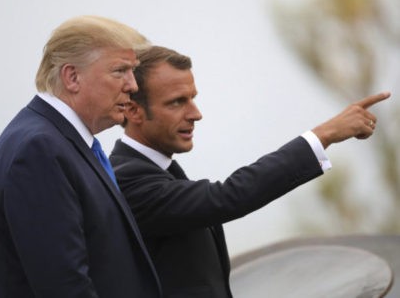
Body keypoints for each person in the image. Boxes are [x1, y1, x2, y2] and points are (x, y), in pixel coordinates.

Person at [109, 45, 390, 298]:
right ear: (133, 111)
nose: (196, 113)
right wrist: (323, 135)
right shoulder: (128, 178)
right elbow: (227, 197)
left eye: (192, 98)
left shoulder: (157, 169)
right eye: (177, 102)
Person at [0, 16, 162, 298]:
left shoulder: (60, 141)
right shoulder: (39, 150)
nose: (133, 86)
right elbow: (64, 287)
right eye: (120, 71)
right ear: (72, 77)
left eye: (133, 71)